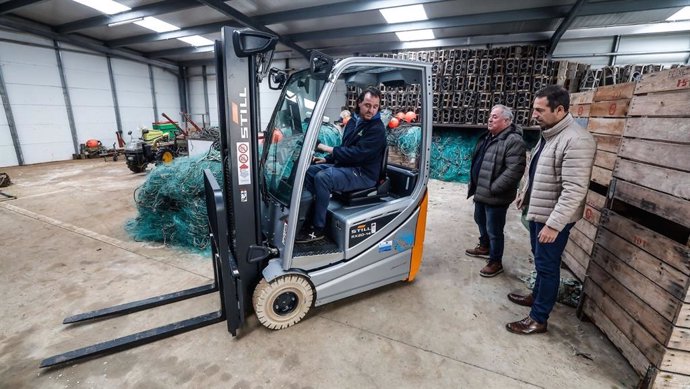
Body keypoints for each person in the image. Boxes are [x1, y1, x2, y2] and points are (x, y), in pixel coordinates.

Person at [506, 85, 595, 335]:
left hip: (552, 218)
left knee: (548, 265)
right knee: (540, 259)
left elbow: (574, 189)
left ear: (560, 109)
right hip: (540, 210)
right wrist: (525, 194)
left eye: (539, 110)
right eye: (534, 108)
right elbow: (539, 172)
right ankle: (536, 297)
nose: (534, 114)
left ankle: (538, 318)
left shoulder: (576, 141)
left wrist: (554, 225)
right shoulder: (550, 135)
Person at [296, 87, 387, 243]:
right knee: (310, 172)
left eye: (375, 106)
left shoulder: (377, 129)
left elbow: (356, 154)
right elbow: (346, 148)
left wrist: (323, 147)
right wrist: (327, 159)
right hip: (349, 167)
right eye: (367, 105)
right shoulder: (353, 121)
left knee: (323, 178)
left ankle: (318, 228)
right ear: (359, 103)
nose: (371, 110)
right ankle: (312, 215)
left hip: (363, 173)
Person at [466, 104, 526, 277]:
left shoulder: (513, 141)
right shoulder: (489, 137)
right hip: (481, 192)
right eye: (490, 116)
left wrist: (494, 188)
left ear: (507, 121)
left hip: (495, 196)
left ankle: (495, 261)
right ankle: (484, 246)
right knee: (480, 219)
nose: (490, 119)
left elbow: (514, 170)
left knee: (494, 229)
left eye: (495, 117)